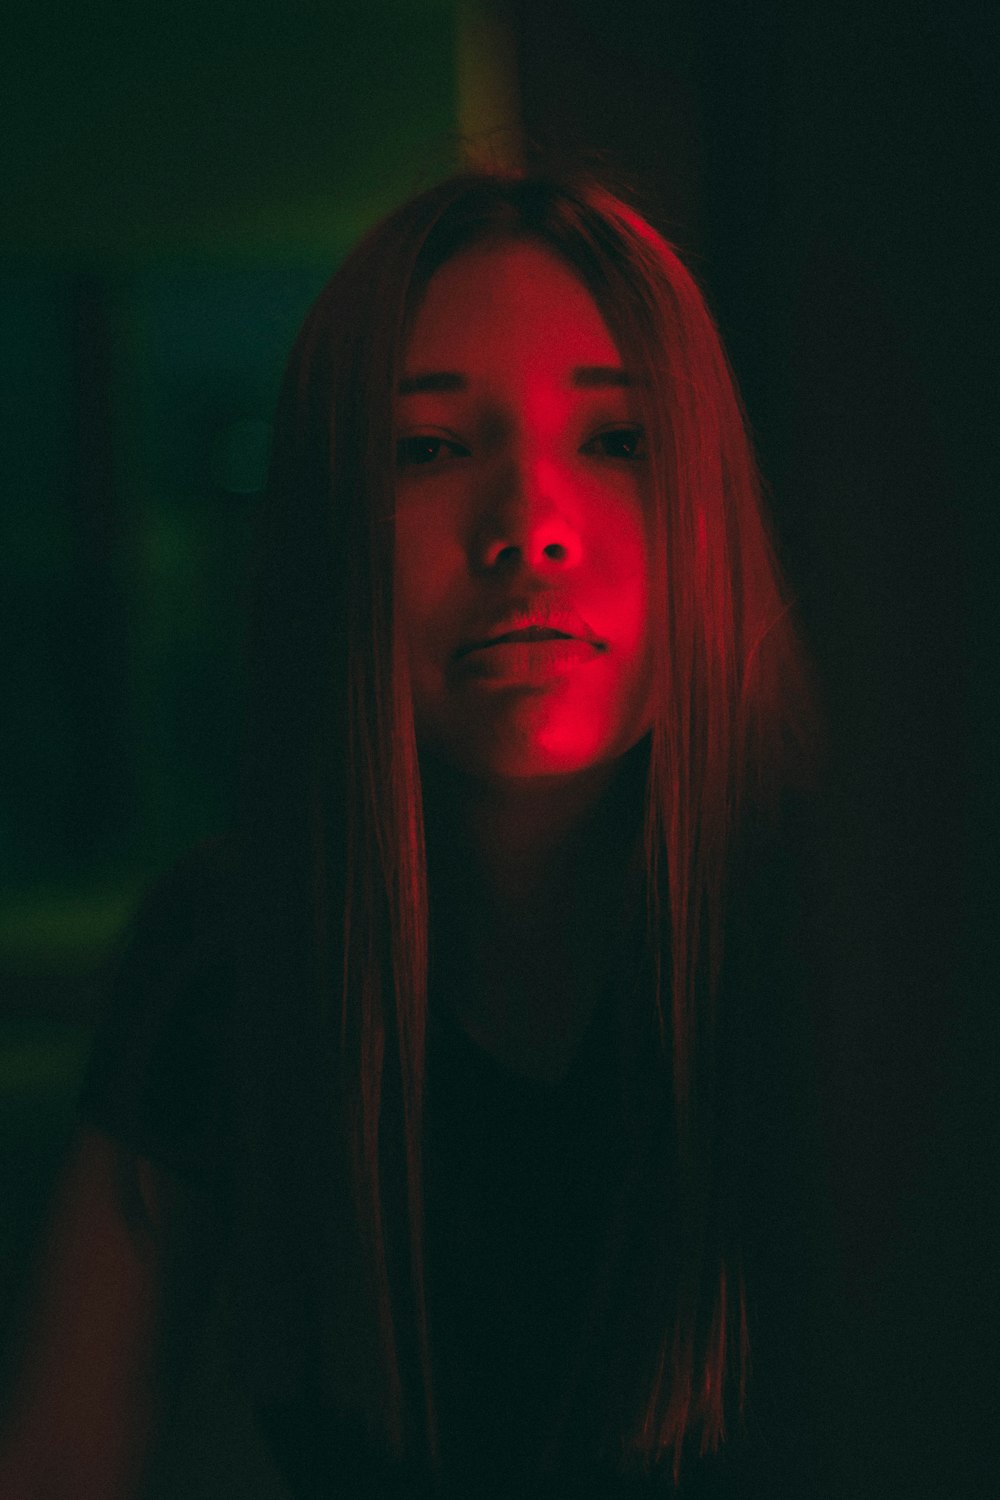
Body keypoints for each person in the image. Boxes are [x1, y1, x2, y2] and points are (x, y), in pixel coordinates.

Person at [0, 166, 827, 1497]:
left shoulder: (846, 932)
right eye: (430, 449)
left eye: (618, 442)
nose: (528, 529)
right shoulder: (232, 952)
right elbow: (57, 1454)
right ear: (334, 523)